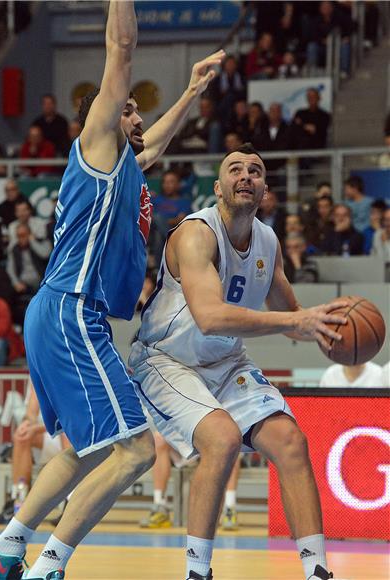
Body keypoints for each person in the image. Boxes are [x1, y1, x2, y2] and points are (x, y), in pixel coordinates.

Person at [0, 3, 224, 579]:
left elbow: (154, 144)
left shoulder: (124, 166)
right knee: (133, 450)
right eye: (128, 108)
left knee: (86, 451)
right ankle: (48, 566)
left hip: (61, 313)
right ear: (106, 117)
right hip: (70, 311)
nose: (137, 115)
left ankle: (2, 553)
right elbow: (121, 51)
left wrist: (189, 91)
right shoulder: (96, 145)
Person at [129, 142, 347, 580]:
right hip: (167, 360)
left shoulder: (268, 240)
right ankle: (197, 572)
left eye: (255, 170)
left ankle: (318, 571)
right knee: (223, 439)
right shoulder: (196, 234)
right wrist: (296, 321)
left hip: (226, 360)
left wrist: (325, 329)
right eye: (235, 169)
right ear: (218, 186)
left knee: (291, 443)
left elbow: (290, 317)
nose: (245, 175)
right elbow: (210, 318)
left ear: (265, 188)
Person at [0, 379, 70, 526]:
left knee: (66, 435)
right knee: (21, 437)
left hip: (74, 435)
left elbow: (69, 417)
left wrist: (36, 428)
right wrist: (26, 424)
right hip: (51, 434)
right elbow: (31, 413)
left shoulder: (67, 364)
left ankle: (70, 504)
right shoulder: (37, 369)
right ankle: (18, 502)